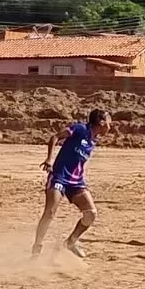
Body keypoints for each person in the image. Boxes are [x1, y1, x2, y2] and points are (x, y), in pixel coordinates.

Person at [32, 109, 111, 258]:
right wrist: (49, 159)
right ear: (101, 122)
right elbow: (55, 137)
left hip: (76, 182)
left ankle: (71, 242)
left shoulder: (93, 139)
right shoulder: (80, 129)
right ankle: (37, 247)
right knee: (50, 212)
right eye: (109, 123)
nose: (110, 126)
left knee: (91, 214)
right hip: (59, 177)